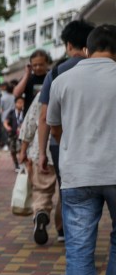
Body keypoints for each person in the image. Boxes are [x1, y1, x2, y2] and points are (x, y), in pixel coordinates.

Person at [46, 24, 116, 275]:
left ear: (86, 50)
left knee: (78, 249)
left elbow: (55, 129)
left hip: (77, 175)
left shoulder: (63, 80)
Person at [36, 20, 94, 204]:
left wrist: (42, 153)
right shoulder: (103, 70)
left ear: (68, 45)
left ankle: (64, 231)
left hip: (61, 143)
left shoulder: (55, 74)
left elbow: (45, 118)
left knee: (68, 192)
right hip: (94, 141)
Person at [18, 93, 62, 245]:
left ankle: (41, 212)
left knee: (42, 189)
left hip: (43, 146)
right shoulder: (80, 85)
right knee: (67, 192)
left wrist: (23, 149)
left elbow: (31, 120)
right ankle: (62, 228)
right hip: (70, 146)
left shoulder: (47, 89)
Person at [4, 95, 25, 172]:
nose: (20, 104)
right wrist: (7, 127)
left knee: (20, 149)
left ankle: (21, 164)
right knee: (13, 151)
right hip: (12, 134)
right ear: (15, 103)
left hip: (21, 135)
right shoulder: (12, 112)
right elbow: (6, 122)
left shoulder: (25, 112)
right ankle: (16, 164)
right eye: (18, 102)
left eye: (22, 102)